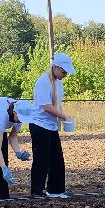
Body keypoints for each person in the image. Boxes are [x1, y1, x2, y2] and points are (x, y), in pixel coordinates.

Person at [30, 54, 75, 200]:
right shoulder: (43, 81)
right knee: (41, 160)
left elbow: (57, 105)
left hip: (50, 126)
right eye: (64, 72)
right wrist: (63, 116)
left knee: (57, 159)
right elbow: (46, 106)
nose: (65, 75)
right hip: (39, 125)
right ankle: (37, 192)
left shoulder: (58, 82)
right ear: (55, 67)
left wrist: (63, 117)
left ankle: (56, 190)